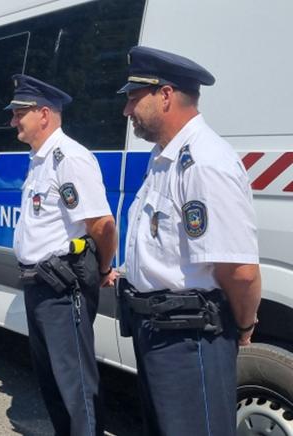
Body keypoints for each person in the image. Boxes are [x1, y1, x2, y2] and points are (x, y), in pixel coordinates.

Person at [118, 46, 261, 436]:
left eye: (133, 98)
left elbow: (241, 271)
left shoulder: (205, 162)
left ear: (164, 95)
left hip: (190, 339)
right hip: (158, 333)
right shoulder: (165, 156)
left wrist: (244, 326)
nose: (126, 111)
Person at [9, 74, 117, 436]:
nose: (12, 121)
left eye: (18, 113)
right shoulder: (39, 159)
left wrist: (103, 268)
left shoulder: (68, 157)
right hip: (38, 284)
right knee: (52, 380)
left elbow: (102, 224)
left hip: (61, 285)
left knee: (75, 386)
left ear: (43, 114)